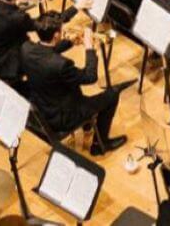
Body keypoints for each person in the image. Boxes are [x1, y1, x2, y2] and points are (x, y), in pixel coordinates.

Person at [20, 14, 128, 154]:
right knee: (112, 94)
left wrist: (69, 42)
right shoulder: (61, 65)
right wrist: (90, 49)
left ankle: (88, 126)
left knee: (74, 86)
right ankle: (99, 145)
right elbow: (90, 77)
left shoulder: (26, 48)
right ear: (56, 35)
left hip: (42, 107)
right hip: (63, 117)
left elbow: (46, 54)